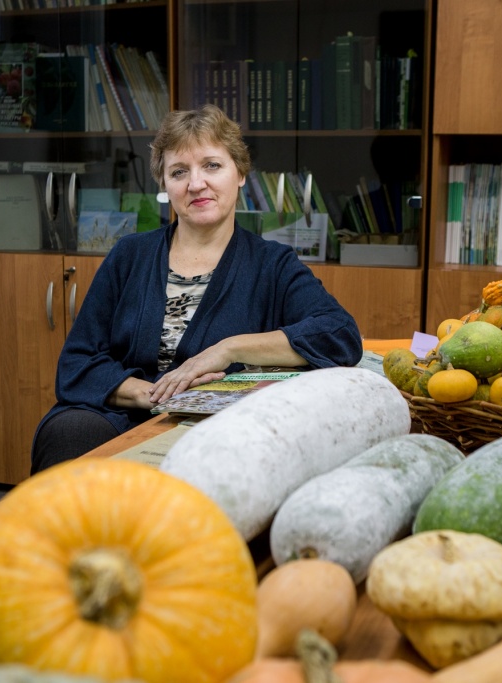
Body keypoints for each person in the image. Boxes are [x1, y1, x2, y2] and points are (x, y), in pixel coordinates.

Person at [30, 104, 363, 474]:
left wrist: (228, 349)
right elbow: (77, 362)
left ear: (240, 173)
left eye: (212, 165)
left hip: (218, 426)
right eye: (179, 172)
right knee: (66, 434)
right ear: (165, 184)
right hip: (118, 415)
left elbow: (339, 333)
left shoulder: (273, 265)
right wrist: (146, 394)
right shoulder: (129, 255)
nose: (196, 183)